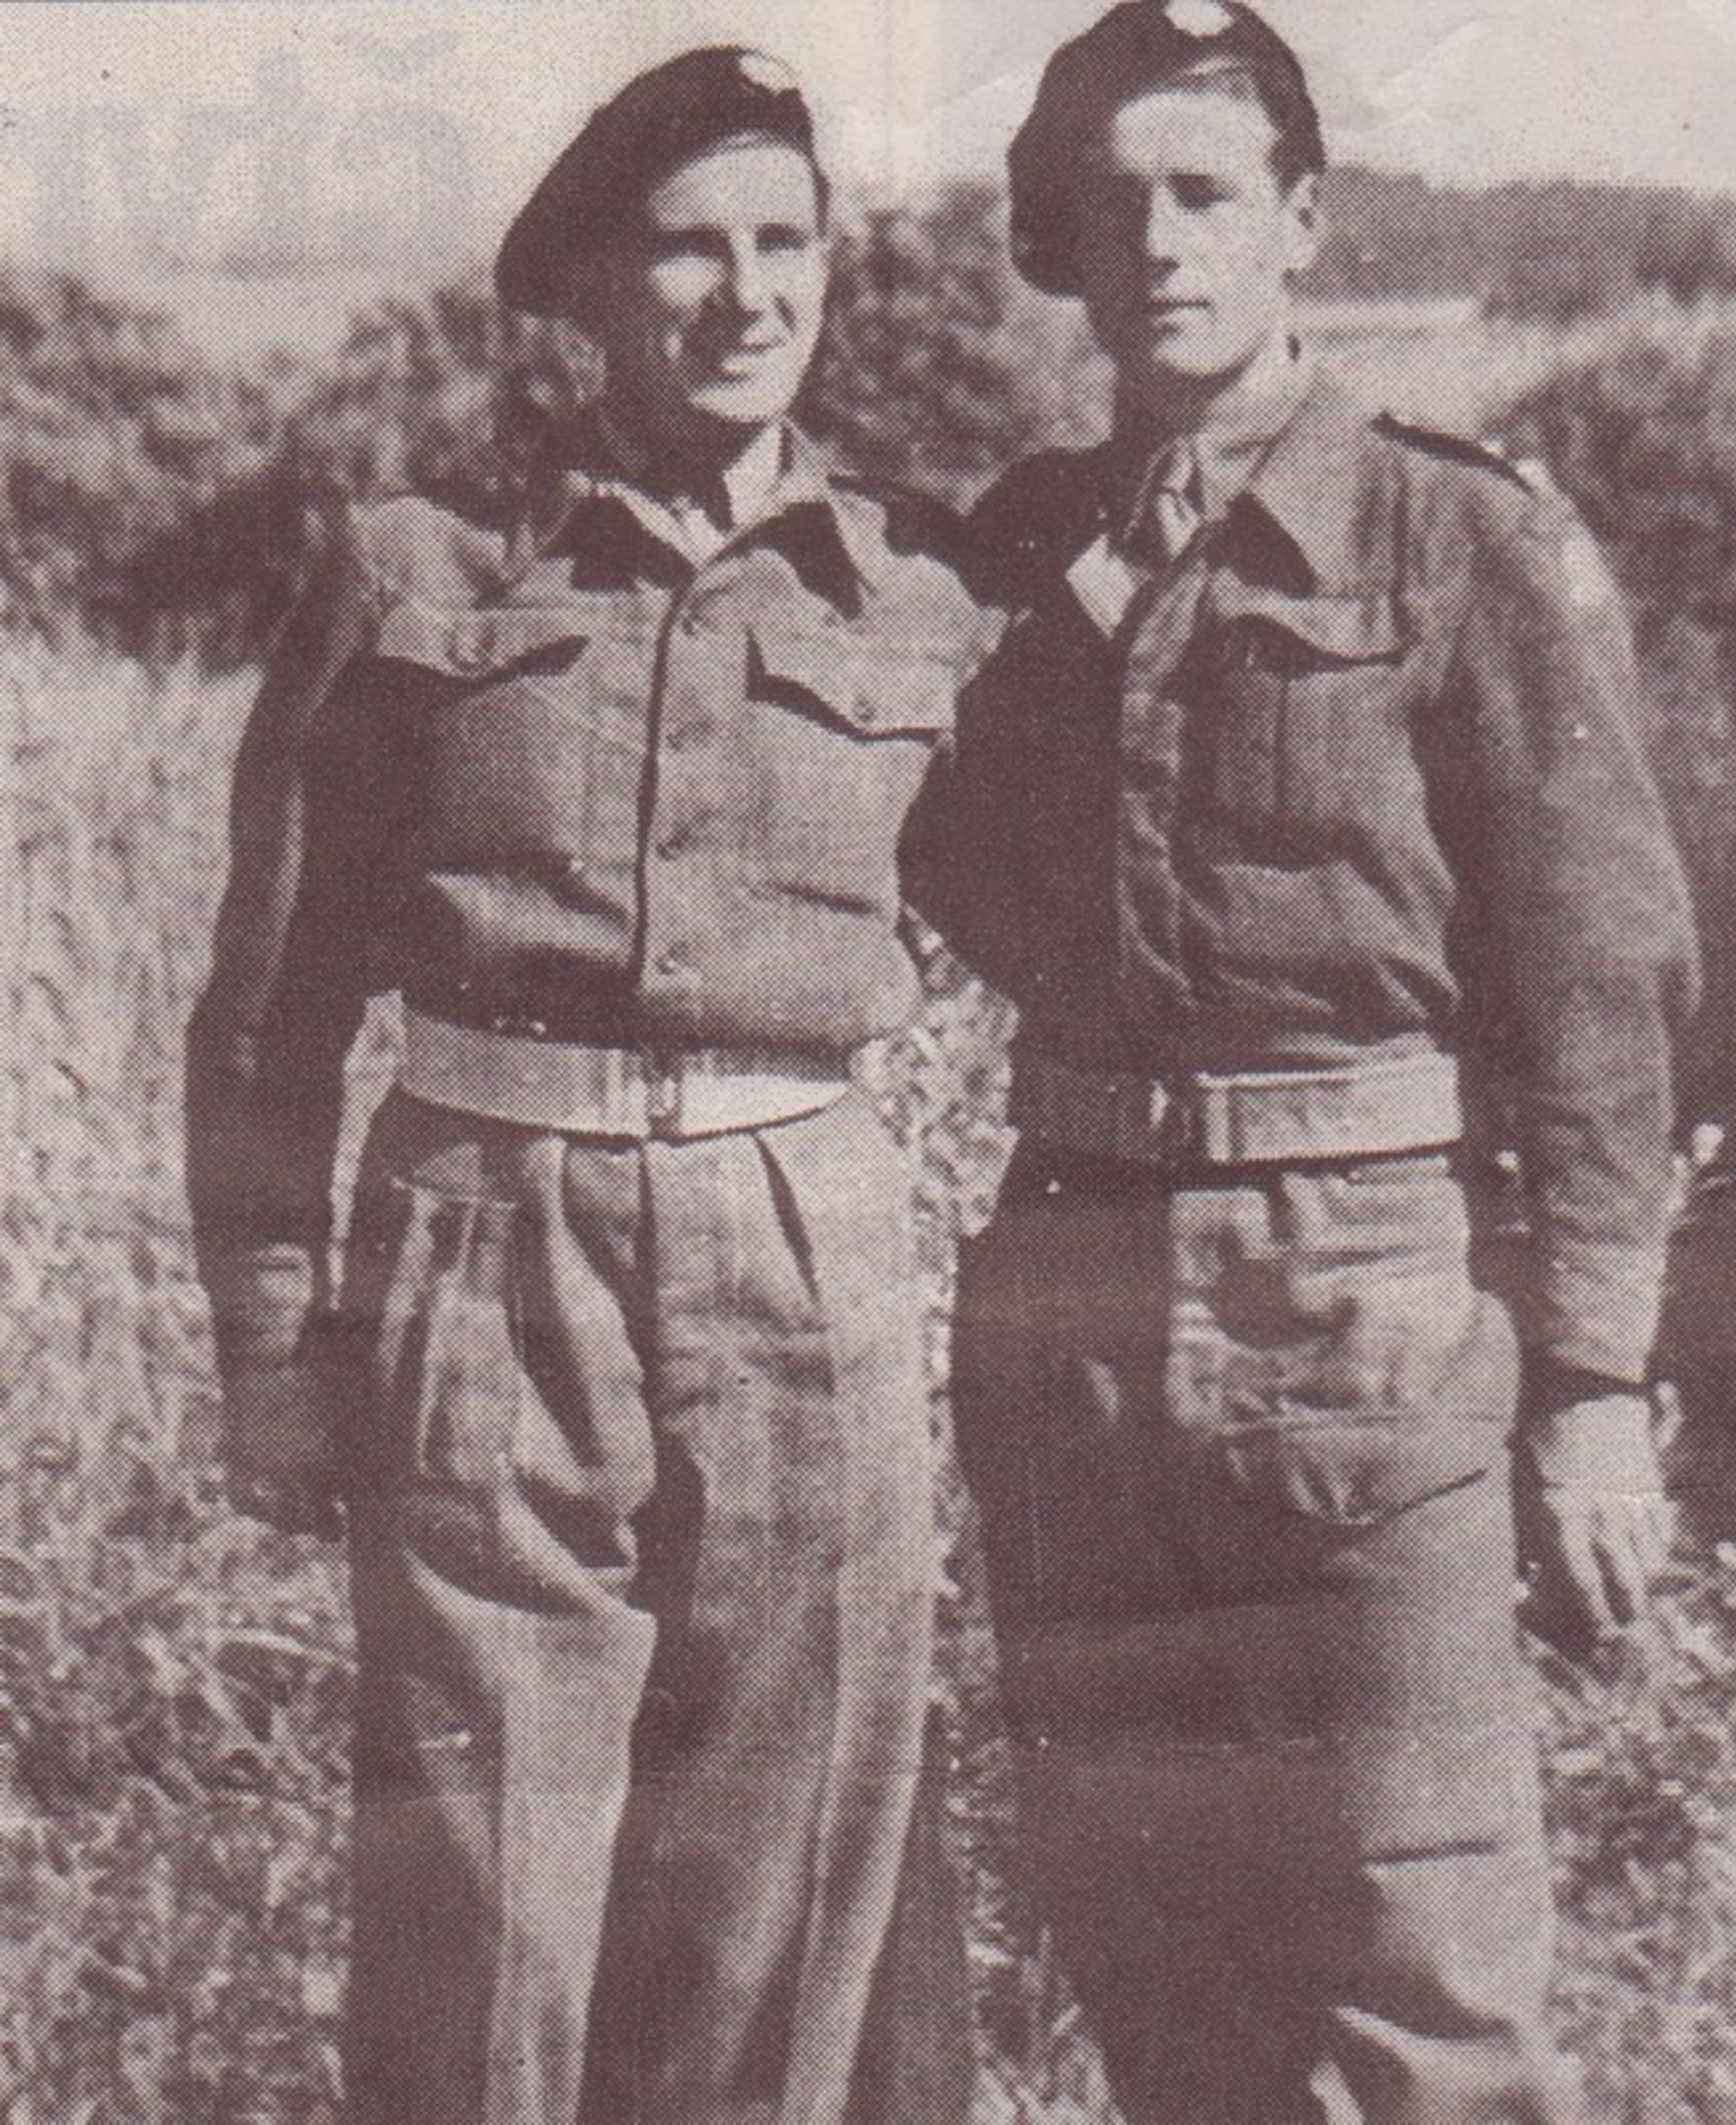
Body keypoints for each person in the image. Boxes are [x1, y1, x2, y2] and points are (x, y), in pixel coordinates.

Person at [902, 4, 1700, 2119]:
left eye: (1206, 194)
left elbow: (1597, 985)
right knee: (1154, 1972)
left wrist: (1592, 1390)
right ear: (1056, 244)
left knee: (1427, 1990)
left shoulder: (1457, 539)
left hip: (1362, 1315)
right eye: (1111, 206)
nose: (1159, 244)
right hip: (1072, 1313)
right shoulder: (1011, 558)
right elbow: (943, 868)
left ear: (1301, 223)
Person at [185, 47, 987, 2125]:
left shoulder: (919, 592)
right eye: (688, 249)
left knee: (771, 1915)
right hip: (487, 1235)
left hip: (805, 1254)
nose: (746, 294)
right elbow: (274, 1004)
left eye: (786, 242)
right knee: (477, 1919)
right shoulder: (421, 571)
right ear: (589, 295)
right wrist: (271, 1339)